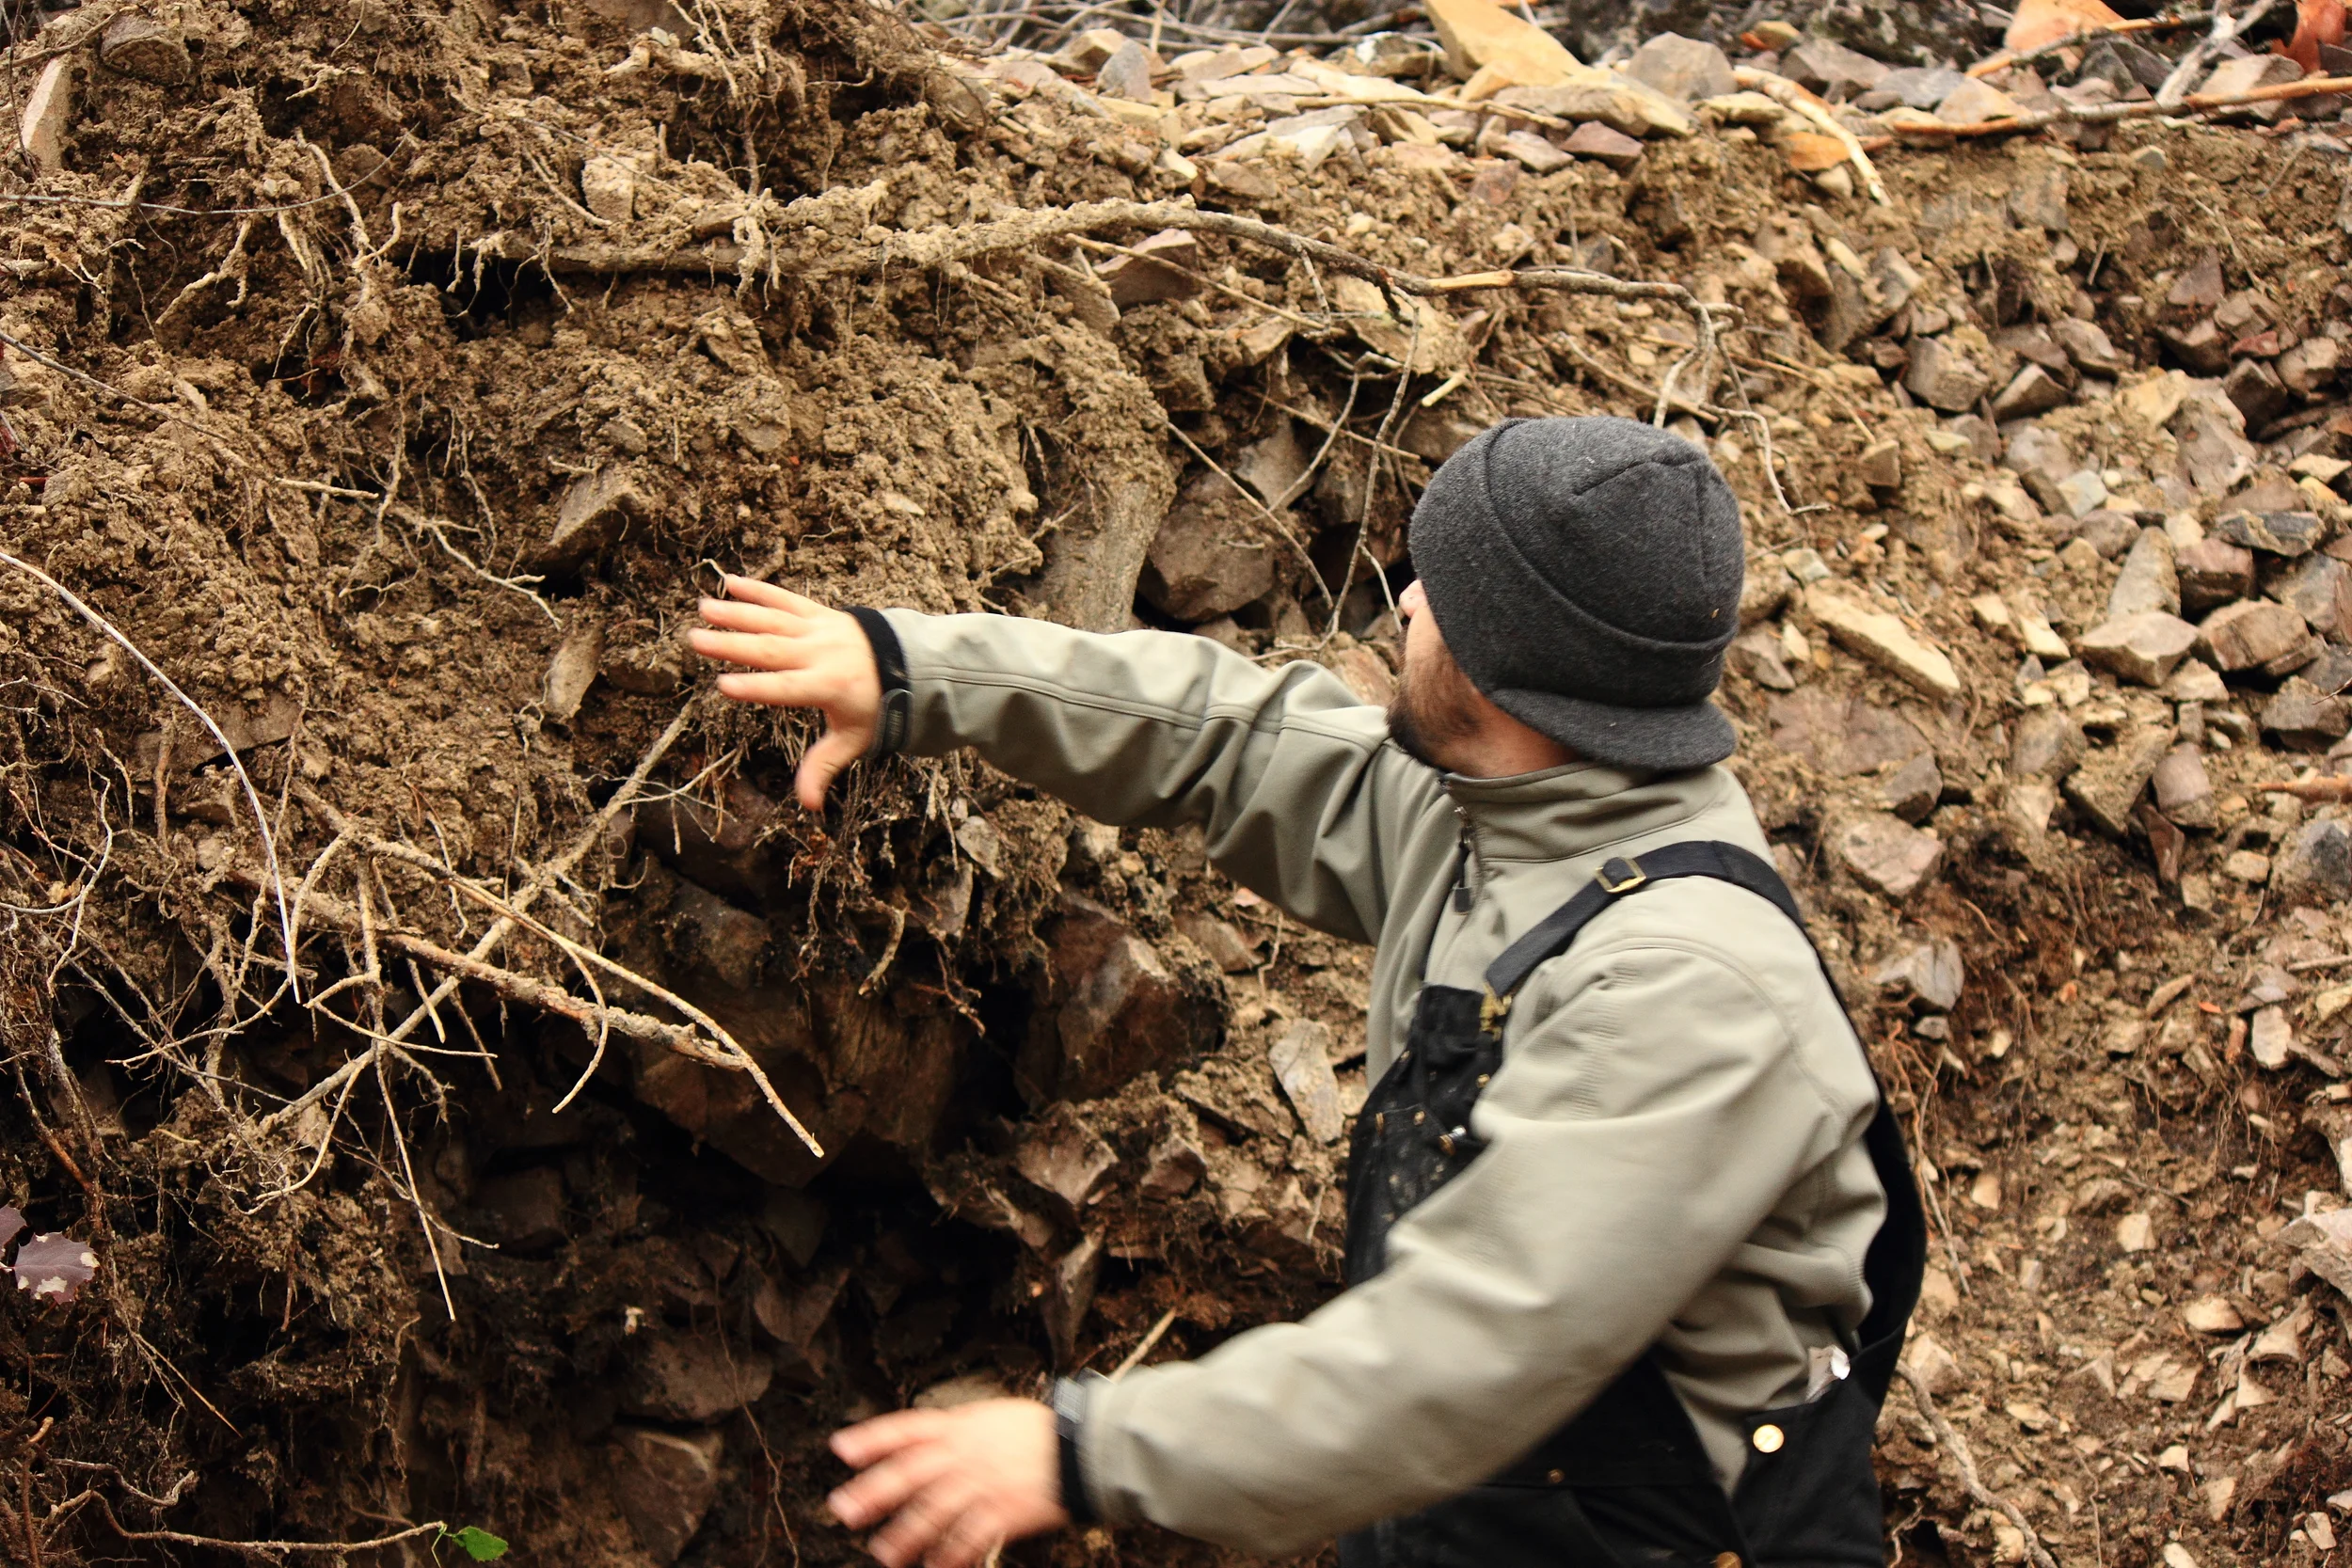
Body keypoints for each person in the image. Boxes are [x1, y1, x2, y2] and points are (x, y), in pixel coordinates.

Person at [689, 415, 1923, 1568]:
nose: (1410, 600)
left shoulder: (1684, 992)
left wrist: (1086, 1450)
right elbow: (1231, 736)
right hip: (1475, 1492)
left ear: (1511, 669)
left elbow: (1463, 1354)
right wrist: (909, 671)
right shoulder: (1509, 806)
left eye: (1442, 587)